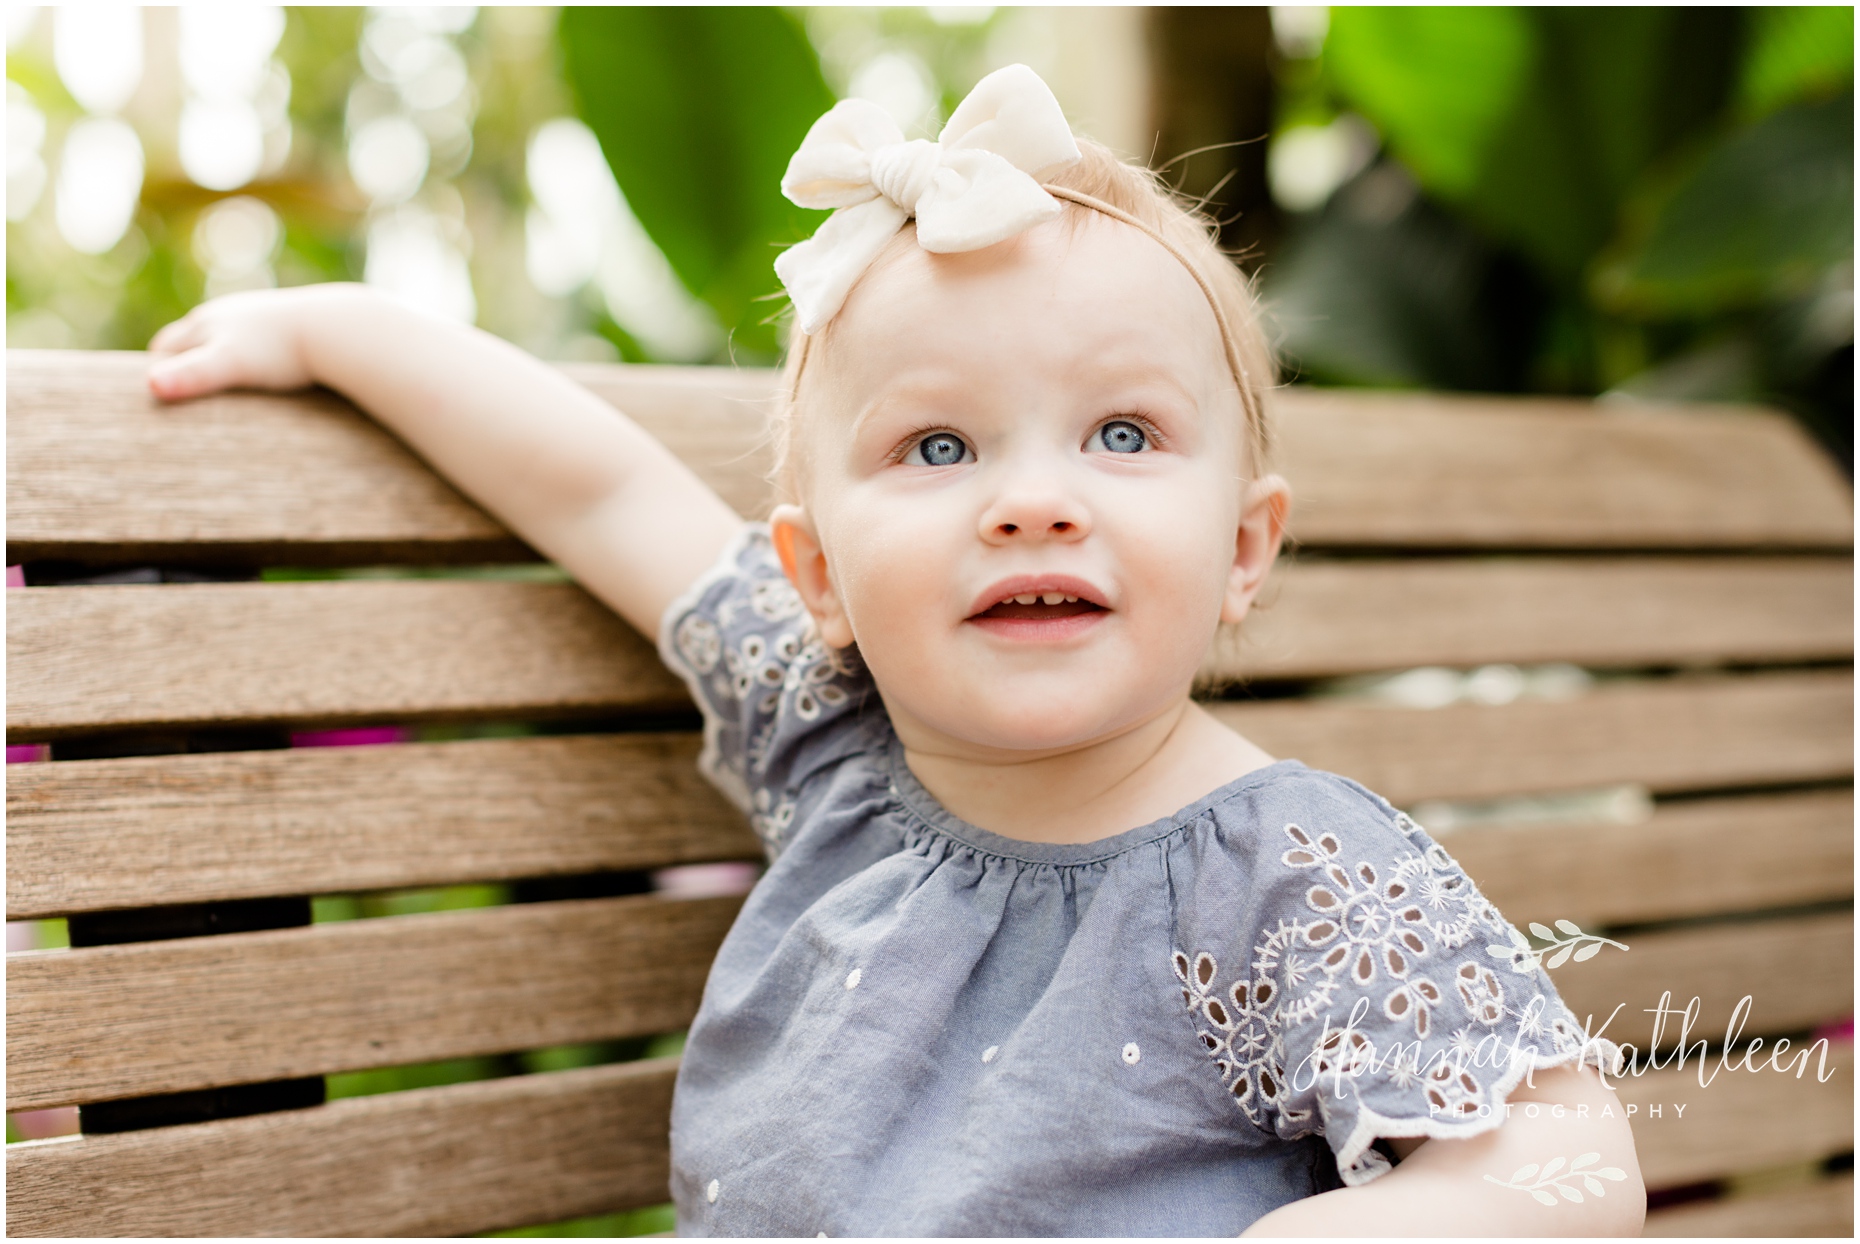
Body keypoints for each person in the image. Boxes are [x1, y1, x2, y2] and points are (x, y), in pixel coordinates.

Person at [147, 64, 1642, 1238]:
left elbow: (1567, 1164)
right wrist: (339, 330)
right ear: (818, 576)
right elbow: (603, 490)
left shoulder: (1297, 877)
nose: (1033, 500)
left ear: (1244, 549)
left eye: (1123, 433)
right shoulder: (835, 744)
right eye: (938, 444)